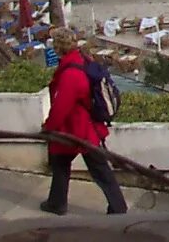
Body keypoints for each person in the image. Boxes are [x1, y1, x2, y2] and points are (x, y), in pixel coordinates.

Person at [39, 27, 127, 216]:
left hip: (77, 130)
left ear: (58, 48)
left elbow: (61, 106)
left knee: (93, 169)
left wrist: (48, 127)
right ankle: (57, 202)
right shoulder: (82, 61)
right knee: (80, 166)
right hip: (86, 128)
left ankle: (58, 203)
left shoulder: (71, 73)